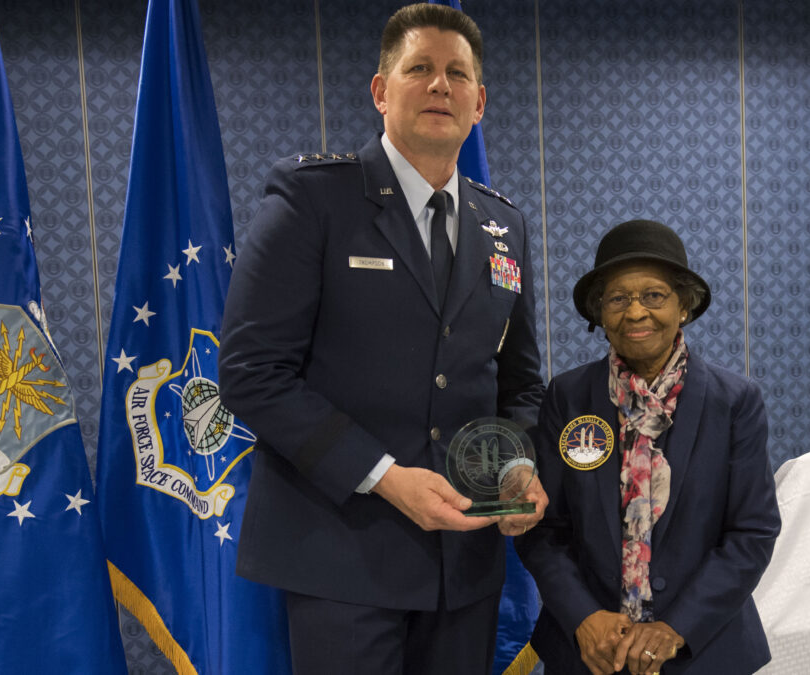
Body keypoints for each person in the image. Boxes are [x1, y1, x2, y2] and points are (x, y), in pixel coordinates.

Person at [217, 4, 547, 673]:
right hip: (343, 553)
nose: (439, 86)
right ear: (380, 90)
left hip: (466, 563)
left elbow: (519, 382)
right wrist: (385, 476)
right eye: (419, 68)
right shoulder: (315, 199)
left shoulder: (504, 226)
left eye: (457, 74)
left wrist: (516, 463)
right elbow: (251, 371)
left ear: (478, 102)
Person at [515, 219, 781, 675]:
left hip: (703, 651)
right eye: (617, 298)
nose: (635, 312)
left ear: (684, 306)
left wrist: (676, 627)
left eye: (654, 295)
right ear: (599, 314)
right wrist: (584, 617)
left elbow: (751, 534)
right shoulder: (568, 397)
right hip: (589, 652)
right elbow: (545, 529)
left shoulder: (734, 401)